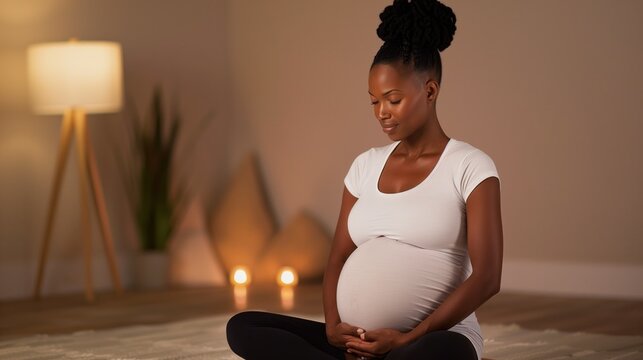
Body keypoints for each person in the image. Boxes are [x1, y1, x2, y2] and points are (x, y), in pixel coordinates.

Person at [226, 0, 503, 359]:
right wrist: (332, 326)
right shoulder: (365, 166)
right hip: (355, 341)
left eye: (393, 99)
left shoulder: (470, 166)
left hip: (427, 339)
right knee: (243, 326)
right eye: (374, 102)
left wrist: (406, 337)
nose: (382, 114)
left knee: (442, 353)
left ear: (430, 91)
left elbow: (487, 278)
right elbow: (337, 258)